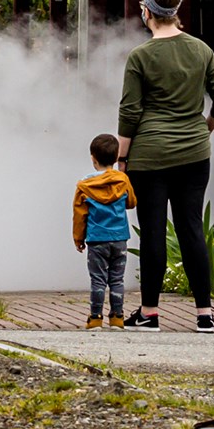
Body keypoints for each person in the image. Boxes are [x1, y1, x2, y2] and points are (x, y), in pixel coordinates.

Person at [116, 0, 214, 333]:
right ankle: (205, 314)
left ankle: (149, 313)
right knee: (191, 229)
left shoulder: (140, 56)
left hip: (148, 157)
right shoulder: (201, 50)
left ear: (146, 11)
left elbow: (130, 111)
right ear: (176, 11)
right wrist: (204, 129)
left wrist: (120, 159)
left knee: (152, 233)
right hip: (194, 155)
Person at [74, 132, 137, 330]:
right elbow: (131, 202)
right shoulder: (122, 180)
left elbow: (79, 215)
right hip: (119, 238)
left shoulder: (85, 186)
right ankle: (117, 317)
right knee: (117, 279)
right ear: (117, 156)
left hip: (96, 240)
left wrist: (78, 238)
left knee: (98, 280)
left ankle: (95, 318)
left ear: (93, 159)